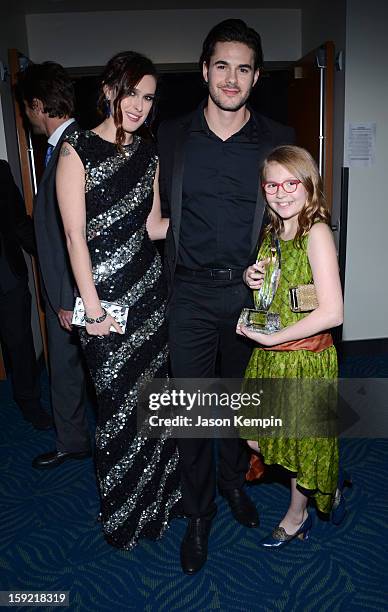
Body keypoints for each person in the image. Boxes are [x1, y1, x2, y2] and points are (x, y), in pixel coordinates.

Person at [157, 18, 294, 574]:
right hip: (187, 292)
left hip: (247, 295)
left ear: (256, 76)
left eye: (243, 68)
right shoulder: (169, 135)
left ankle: (236, 484)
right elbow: (151, 214)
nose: (231, 78)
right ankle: (198, 513)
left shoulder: (278, 138)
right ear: (204, 71)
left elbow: (293, 218)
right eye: (222, 66)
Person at [55, 51, 182, 549]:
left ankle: (160, 502)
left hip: (148, 297)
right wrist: (95, 311)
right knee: (116, 408)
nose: (139, 105)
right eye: (132, 92)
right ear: (110, 90)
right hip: (104, 303)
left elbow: (152, 226)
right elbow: (73, 236)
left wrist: (204, 224)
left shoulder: (148, 153)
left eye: (148, 97)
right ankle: (124, 515)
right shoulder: (76, 150)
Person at [237, 145, 344, 546]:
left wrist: (272, 339)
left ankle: (297, 515)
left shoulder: (314, 232)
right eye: (272, 185)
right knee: (255, 436)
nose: (281, 193)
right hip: (272, 356)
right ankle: (325, 483)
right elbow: (279, 287)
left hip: (304, 357)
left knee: (299, 445)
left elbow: (333, 313)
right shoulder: (273, 230)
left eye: (291, 183)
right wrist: (254, 277)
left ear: (308, 185)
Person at [17, 62, 91, 468]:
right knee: (65, 371)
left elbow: (77, 233)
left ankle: (116, 451)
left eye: (27, 110)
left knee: (94, 373)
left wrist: (66, 298)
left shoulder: (75, 147)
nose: (27, 119)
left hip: (76, 293)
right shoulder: (63, 146)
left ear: (38, 105)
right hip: (67, 290)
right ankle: (74, 440)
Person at [0, 159, 52, 430]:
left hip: (7, 276)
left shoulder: (0, 170)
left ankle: (30, 403)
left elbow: (19, 221)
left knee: (20, 343)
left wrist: (48, 255)